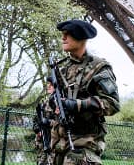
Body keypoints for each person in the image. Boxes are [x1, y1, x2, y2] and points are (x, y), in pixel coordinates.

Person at [53, 19, 120, 165]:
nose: (63, 38)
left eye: (67, 34)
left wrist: (77, 105)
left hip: (84, 145)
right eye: (62, 34)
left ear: (80, 37)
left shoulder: (99, 67)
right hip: (58, 145)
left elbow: (112, 104)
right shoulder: (60, 68)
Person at [33, 77, 58, 165]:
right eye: (48, 85)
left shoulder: (58, 102)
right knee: (41, 162)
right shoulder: (44, 103)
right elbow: (36, 119)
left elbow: (59, 122)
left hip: (53, 140)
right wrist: (37, 129)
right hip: (42, 141)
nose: (48, 87)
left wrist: (47, 122)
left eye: (51, 85)